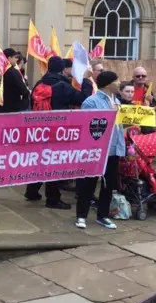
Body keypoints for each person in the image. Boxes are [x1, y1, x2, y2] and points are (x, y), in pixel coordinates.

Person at [25, 56, 92, 210]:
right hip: (58, 130)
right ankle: (53, 199)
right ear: (62, 69)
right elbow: (83, 99)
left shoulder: (38, 83)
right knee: (54, 164)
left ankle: (32, 191)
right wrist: (86, 81)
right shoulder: (62, 85)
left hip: (39, 129)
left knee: (41, 160)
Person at [75, 71, 125, 230]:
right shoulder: (92, 101)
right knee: (88, 183)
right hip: (96, 150)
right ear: (108, 84)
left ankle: (102, 215)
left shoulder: (116, 101)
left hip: (114, 149)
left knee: (108, 185)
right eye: (117, 81)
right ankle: (81, 215)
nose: (120, 84)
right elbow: (84, 125)